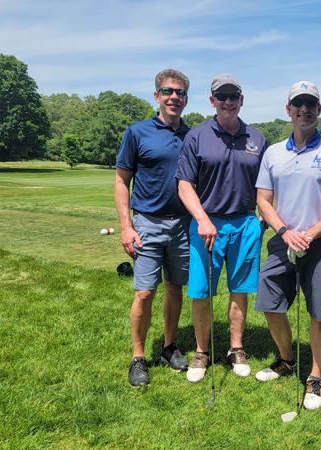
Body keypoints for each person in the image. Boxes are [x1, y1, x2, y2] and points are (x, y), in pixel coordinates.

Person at [254, 81, 321, 411]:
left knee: (319, 311)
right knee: (270, 303)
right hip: (283, 241)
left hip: (320, 243)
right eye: (298, 103)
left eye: (311, 103)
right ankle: (286, 359)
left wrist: (309, 233)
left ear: (319, 109)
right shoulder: (273, 153)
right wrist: (285, 232)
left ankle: (315, 375)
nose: (304, 109)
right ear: (288, 109)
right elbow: (263, 201)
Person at [177, 74, 268, 382]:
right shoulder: (197, 136)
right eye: (222, 96)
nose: (228, 102)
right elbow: (185, 184)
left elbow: (267, 185)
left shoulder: (257, 139)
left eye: (233, 96)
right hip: (207, 223)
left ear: (241, 100)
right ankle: (202, 351)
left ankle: (236, 348)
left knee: (240, 289)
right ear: (212, 101)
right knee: (201, 291)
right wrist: (202, 219)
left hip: (245, 222)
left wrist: (266, 215)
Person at [115, 69, 191, 387]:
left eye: (181, 93)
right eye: (168, 91)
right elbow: (121, 181)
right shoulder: (138, 132)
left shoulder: (192, 135)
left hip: (183, 225)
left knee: (175, 288)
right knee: (145, 292)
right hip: (147, 223)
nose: (174, 97)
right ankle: (138, 356)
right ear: (157, 95)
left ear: (186, 98)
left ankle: (169, 346)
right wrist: (126, 226)